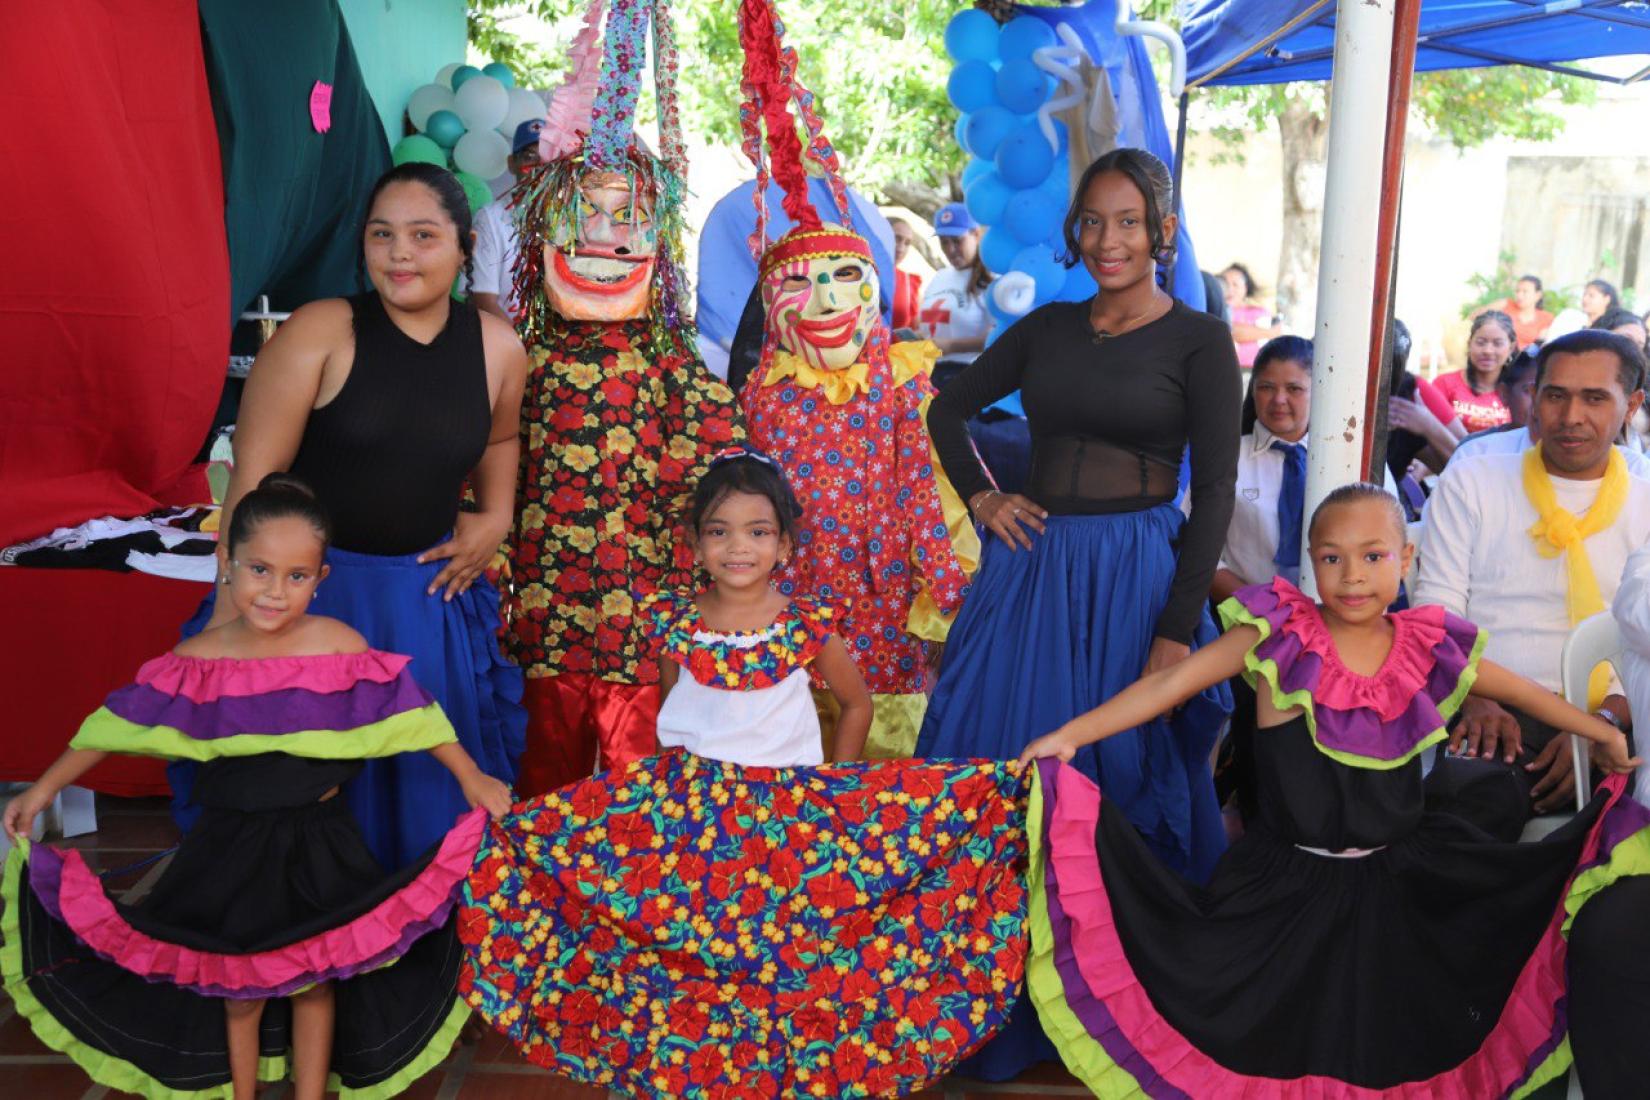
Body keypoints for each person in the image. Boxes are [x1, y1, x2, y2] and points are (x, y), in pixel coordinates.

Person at [1016, 482, 1647, 1097]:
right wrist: (1070, 736)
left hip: (1399, 883)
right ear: (1309, 561)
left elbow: (1519, 691)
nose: (1352, 577)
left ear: (1406, 560)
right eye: (1331, 558)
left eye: (1374, 557)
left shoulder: (1423, 644)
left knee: (1390, 1042)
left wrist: (1599, 732)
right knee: (1263, 1040)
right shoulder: (1278, 637)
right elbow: (1167, 686)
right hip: (1283, 889)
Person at [455, 446, 1028, 1097]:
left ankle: (774, 1073)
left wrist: (832, 788)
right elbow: (677, 710)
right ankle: (700, 1068)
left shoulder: (805, 623)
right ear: (696, 545)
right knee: (695, 950)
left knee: (779, 957)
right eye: (719, 532)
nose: (738, 548)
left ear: (783, 546)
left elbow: (857, 702)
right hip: (692, 810)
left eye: (757, 533)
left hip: (784, 816)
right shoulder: (676, 622)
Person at [2, 475, 511, 1100]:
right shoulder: (199, 657)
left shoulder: (340, 647)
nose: (275, 592)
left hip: (319, 842)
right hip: (229, 847)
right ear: (227, 563)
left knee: (317, 979)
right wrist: (43, 789)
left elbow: (414, 719)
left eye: (297, 576)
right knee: (237, 989)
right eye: (260, 571)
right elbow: (115, 725)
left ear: (321, 579)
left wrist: (471, 775)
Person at [917, 146, 1237, 1080]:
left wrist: (1175, 634)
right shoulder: (1047, 328)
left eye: (1128, 222)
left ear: (1162, 231)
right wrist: (983, 500)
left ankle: (1116, 1007)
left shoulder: (1198, 341)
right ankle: (990, 1003)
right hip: (1031, 571)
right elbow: (948, 407)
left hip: (1137, 578)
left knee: (1116, 774)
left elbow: (1213, 493)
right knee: (992, 757)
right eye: (1093, 222)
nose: (1109, 239)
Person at [184, 162, 528, 869]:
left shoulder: (497, 346)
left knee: (430, 796)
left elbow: (500, 437)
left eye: (423, 235)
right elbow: (254, 481)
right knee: (306, 805)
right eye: (383, 235)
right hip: (310, 602)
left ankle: (413, 958)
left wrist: (496, 514)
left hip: (425, 599)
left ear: (464, 249)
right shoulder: (322, 330)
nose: (400, 253)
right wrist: (230, 620)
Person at [500, 0, 743, 797]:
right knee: (544, 792)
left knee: (641, 801)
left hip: (645, 639)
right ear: (542, 236)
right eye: (584, 216)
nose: (604, 240)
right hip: (539, 630)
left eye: (627, 219)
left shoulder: (679, 372)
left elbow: (721, 484)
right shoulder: (516, 362)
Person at [734, 15, 975, 760]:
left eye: (847, 278)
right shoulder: (755, 400)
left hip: (885, 606)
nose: (830, 301)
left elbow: (933, 496)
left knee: (881, 760)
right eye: (802, 284)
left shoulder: (905, 386)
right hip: (781, 608)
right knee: (780, 752)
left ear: (874, 289)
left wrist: (950, 601)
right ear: (769, 302)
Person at [1417, 330, 1650, 832]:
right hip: (1492, 711)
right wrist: (1473, 699)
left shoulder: (1646, 498)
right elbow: (1434, 615)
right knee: (1464, 811)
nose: (1570, 418)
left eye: (1594, 398)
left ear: (1631, 405)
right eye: (1556, 395)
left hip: (1617, 718)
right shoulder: (1475, 479)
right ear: (1533, 398)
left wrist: (1601, 724)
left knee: (1621, 832)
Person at [469, 118, 544, 322]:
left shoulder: (571, 219)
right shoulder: (489, 220)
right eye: (530, 157)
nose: (539, 167)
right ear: (512, 164)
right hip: (508, 345)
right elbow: (483, 301)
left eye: (549, 158)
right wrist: (522, 351)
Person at [918, 202, 994, 368]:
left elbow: (1000, 337)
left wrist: (951, 346)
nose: (950, 249)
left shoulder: (993, 279)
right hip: (929, 373)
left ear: (976, 235)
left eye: (956, 241)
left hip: (970, 374)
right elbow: (930, 325)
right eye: (944, 242)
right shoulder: (939, 277)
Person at [1434, 309, 1517, 433]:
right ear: (1469, 344)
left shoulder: (1518, 391)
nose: (1488, 350)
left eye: (1497, 343)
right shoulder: (1444, 384)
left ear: (1511, 348)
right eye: (1481, 342)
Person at [1220, 262, 1281, 368]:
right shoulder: (1215, 310)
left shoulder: (1260, 312)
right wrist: (1270, 332)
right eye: (1225, 285)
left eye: (1235, 285)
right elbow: (1229, 332)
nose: (1230, 290)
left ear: (1245, 288)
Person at [1477, 273, 1554, 348]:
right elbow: (1475, 316)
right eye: (1517, 291)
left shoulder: (1546, 318)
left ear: (1538, 295)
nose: (1519, 295)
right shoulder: (1504, 305)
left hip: (1526, 359)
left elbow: (1541, 346)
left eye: (1525, 292)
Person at [1546, 277, 1620, 340]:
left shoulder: (1613, 325)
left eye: (1591, 296)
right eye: (1584, 294)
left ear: (1606, 299)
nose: (1585, 299)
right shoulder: (1570, 318)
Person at [888, 215, 923, 332]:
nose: (901, 248)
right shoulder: (856, 272)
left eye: (907, 243)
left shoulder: (909, 283)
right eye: (897, 238)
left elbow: (916, 331)